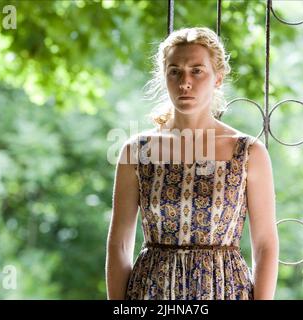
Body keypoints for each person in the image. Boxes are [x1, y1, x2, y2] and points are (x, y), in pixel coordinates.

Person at [106, 27, 278, 300]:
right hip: (151, 293)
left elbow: (266, 245)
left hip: (225, 291)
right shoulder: (137, 151)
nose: (185, 81)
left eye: (197, 70)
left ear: (218, 78)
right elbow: (119, 244)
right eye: (175, 71)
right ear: (164, 78)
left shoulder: (248, 152)